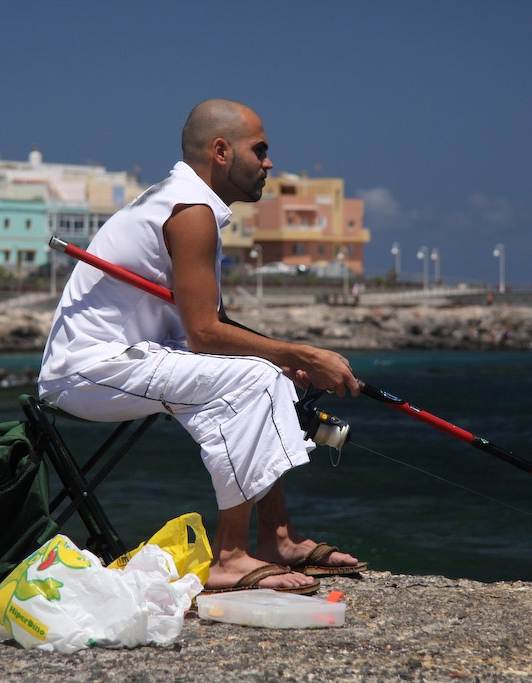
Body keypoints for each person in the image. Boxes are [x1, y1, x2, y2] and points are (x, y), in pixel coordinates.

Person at [38, 99, 365, 594]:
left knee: (266, 374)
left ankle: (277, 537)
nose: (269, 163)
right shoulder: (190, 212)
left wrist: (282, 360)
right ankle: (229, 556)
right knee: (256, 379)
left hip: (132, 357)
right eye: (260, 150)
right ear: (221, 151)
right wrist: (304, 355)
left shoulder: (188, 204)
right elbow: (205, 335)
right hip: (86, 370)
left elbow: (211, 327)